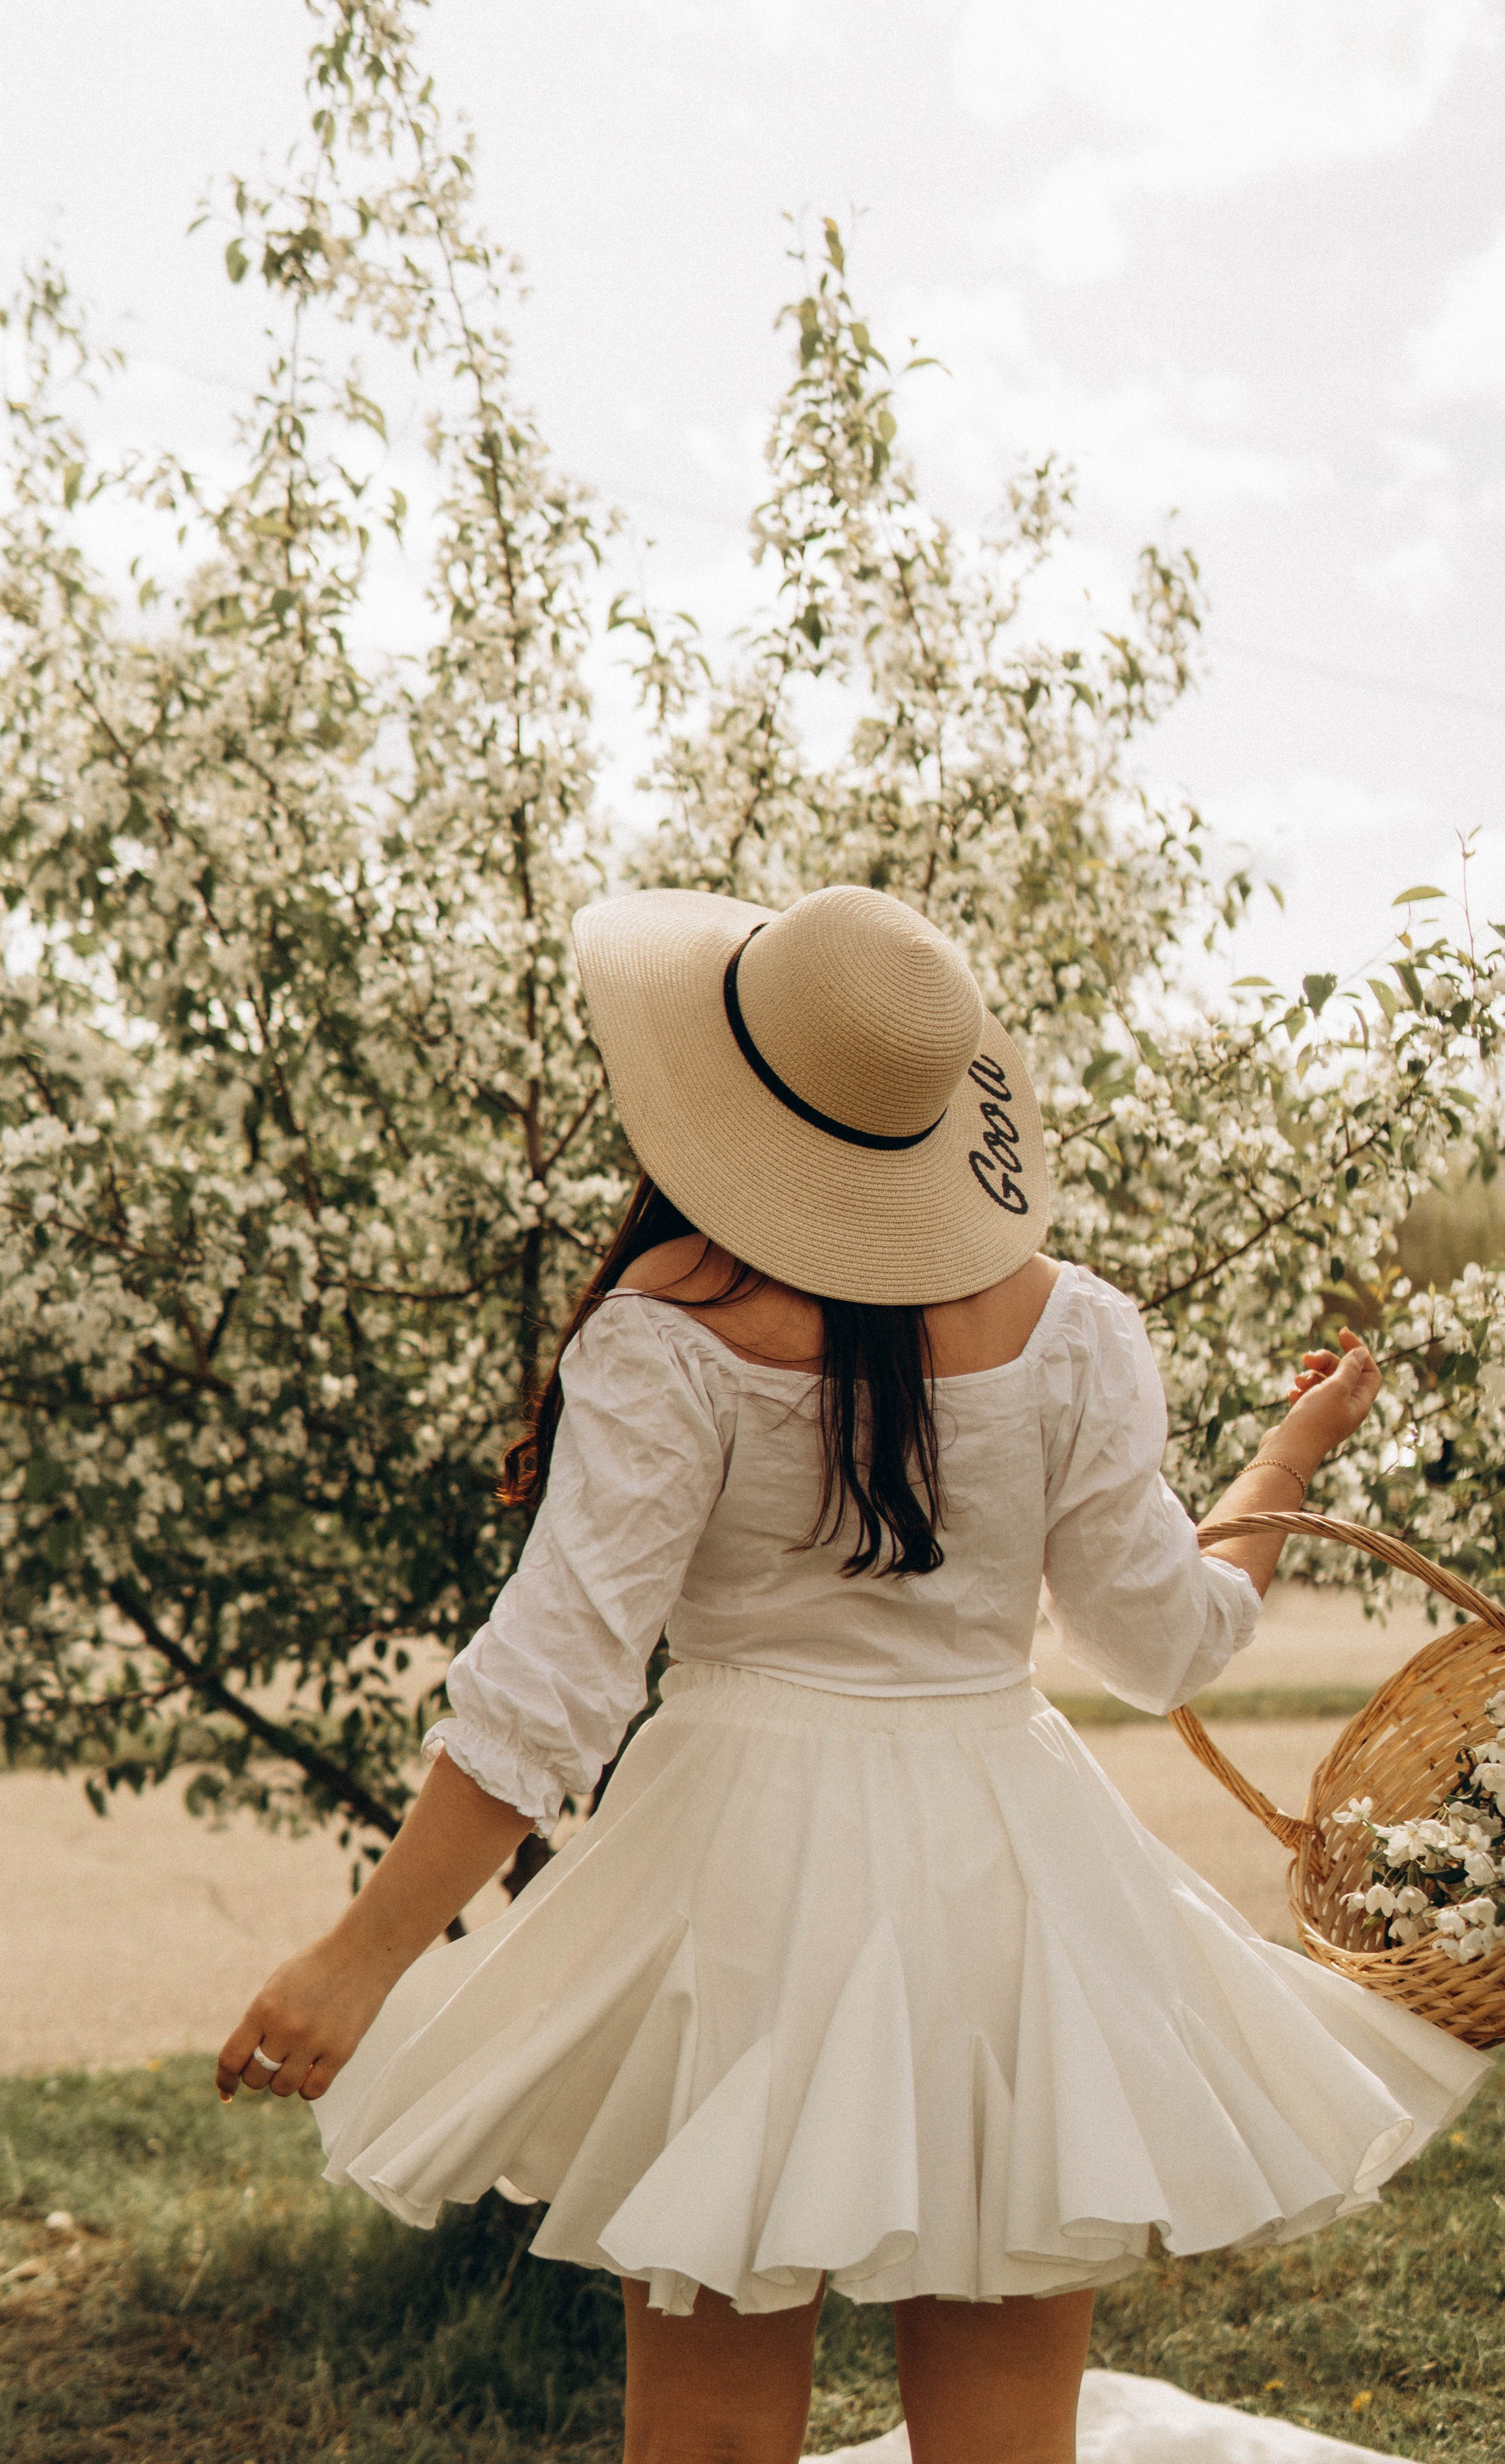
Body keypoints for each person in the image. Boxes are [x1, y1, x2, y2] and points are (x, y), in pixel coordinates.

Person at [218, 886, 1490, 2464]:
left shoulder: (666, 1332)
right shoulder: (1073, 1329)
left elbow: (552, 1688)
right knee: (1009, 2429)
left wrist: (362, 1956)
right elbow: (1163, 1641)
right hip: (1012, 1881)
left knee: (703, 2427)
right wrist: (1288, 1460)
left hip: (736, 1883)